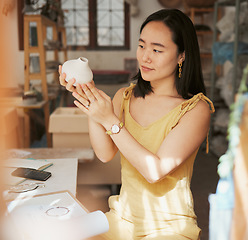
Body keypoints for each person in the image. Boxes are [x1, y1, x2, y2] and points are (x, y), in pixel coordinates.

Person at [59, 8, 214, 240]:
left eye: (157, 50)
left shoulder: (196, 109)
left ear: (182, 55)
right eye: (141, 46)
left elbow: (156, 171)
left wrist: (109, 120)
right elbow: (104, 153)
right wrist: (89, 99)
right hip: (122, 219)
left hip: (169, 228)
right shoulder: (125, 95)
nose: (145, 57)